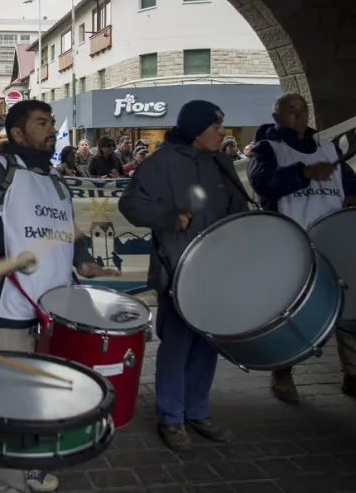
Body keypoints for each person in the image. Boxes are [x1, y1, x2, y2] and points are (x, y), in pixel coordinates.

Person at [0, 99, 118, 493]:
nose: (51, 129)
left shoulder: (55, 180)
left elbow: (66, 232)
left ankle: (29, 464)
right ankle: (8, 482)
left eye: (51, 122)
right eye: (41, 123)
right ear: (18, 133)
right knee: (8, 397)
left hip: (52, 312)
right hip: (7, 307)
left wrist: (85, 261)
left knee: (39, 394)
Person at [247, 92, 356, 407]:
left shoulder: (327, 147)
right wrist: (303, 173)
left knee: (347, 305)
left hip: (334, 237)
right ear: (276, 117)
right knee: (292, 309)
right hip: (293, 240)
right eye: (291, 110)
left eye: (303, 109)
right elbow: (263, 184)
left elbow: (349, 180)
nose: (299, 115)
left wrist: (355, 196)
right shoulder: (267, 148)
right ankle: (282, 370)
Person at [119, 100, 247, 452]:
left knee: (208, 343)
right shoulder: (161, 163)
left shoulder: (221, 163)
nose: (222, 132)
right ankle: (171, 417)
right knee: (177, 345)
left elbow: (237, 210)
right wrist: (168, 216)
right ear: (195, 129)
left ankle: (197, 411)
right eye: (216, 127)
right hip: (177, 268)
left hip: (216, 271)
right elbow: (131, 204)